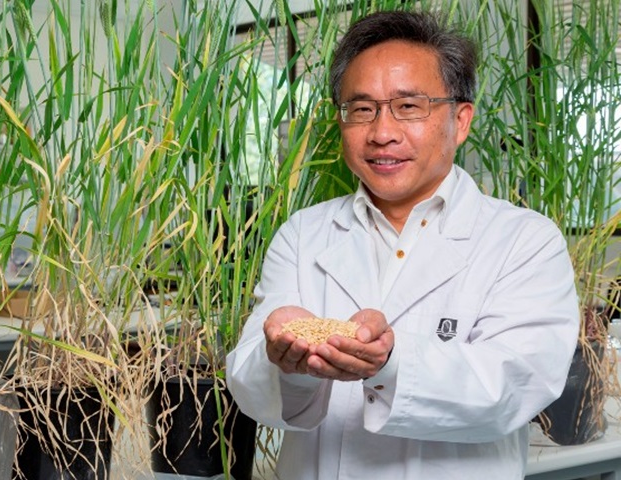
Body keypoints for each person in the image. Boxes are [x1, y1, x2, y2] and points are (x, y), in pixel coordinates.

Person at [226, 10, 579, 480]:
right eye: (362, 108)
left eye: (409, 106)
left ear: (461, 119)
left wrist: (392, 361)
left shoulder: (524, 241)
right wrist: (287, 364)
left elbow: (515, 386)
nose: (382, 132)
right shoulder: (302, 234)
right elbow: (249, 386)